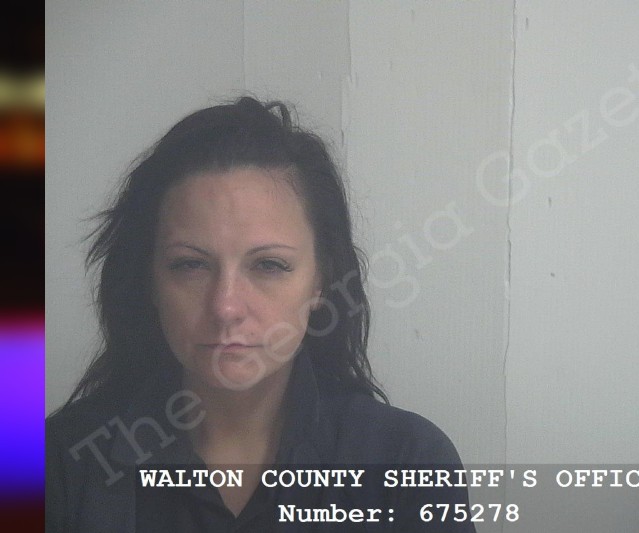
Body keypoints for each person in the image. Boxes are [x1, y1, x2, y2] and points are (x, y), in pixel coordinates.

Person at [46, 97, 474, 532]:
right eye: (190, 265)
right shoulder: (60, 465)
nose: (226, 306)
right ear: (149, 281)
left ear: (321, 281)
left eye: (269, 265)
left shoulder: (408, 462)